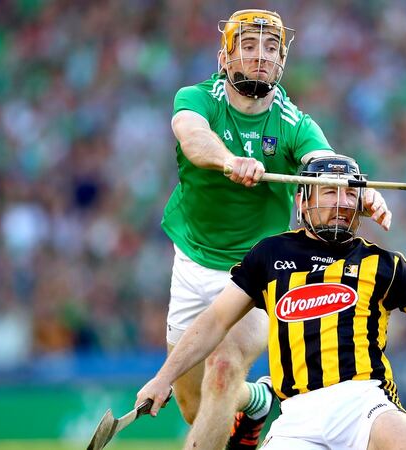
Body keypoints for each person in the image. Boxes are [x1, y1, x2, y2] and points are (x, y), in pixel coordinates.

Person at [140, 155, 406, 449]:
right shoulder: (269, 255)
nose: (342, 203)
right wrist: (164, 378)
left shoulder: (381, 264)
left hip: (363, 402)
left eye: (350, 194)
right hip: (297, 416)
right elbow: (214, 321)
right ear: (303, 199)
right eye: (329, 192)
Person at [162, 9, 392, 449]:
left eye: (271, 48)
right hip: (192, 263)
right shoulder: (197, 98)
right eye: (249, 46)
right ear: (225, 58)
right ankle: (257, 401)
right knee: (194, 406)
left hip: (256, 273)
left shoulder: (293, 123)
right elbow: (192, 138)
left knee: (222, 372)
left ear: (282, 60)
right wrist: (229, 160)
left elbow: (326, 168)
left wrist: (359, 193)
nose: (261, 56)